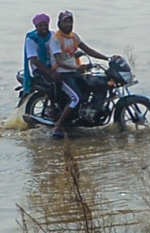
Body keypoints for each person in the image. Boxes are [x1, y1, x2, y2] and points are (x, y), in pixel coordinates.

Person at [49, 10, 108, 138]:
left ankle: (88, 115)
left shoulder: (74, 37)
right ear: (59, 23)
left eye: (70, 21)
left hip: (74, 72)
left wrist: (107, 58)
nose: (68, 24)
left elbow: (88, 50)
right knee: (77, 98)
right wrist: (77, 67)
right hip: (63, 74)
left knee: (99, 84)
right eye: (65, 21)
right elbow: (59, 62)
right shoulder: (56, 40)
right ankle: (58, 125)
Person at [22, 13, 53, 94]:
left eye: (45, 25)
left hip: (53, 64)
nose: (43, 28)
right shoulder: (31, 40)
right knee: (53, 83)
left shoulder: (53, 35)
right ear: (36, 27)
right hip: (39, 68)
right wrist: (49, 72)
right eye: (40, 25)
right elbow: (34, 60)